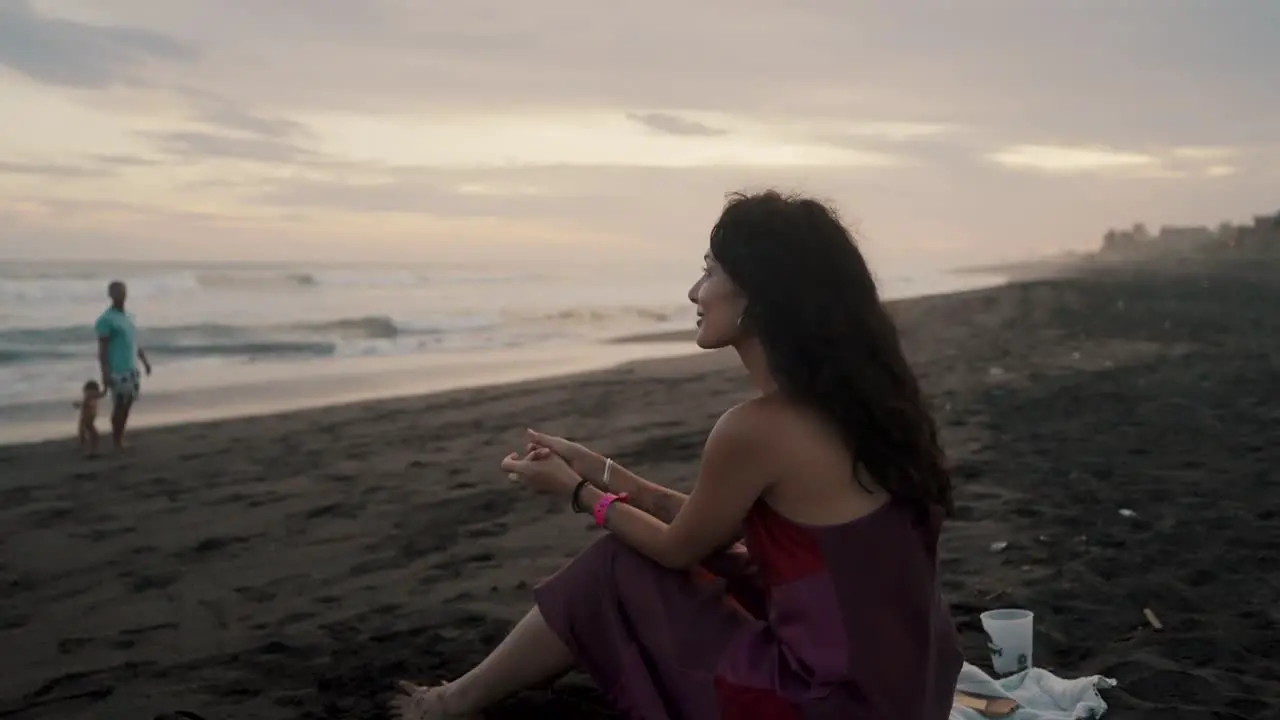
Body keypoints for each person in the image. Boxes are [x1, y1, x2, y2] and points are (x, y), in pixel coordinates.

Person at [390, 191, 964, 719]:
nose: (694, 292)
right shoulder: (867, 404)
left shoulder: (756, 428)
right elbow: (704, 524)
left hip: (830, 703)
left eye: (710, 272)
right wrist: (594, 465)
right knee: (724, 561)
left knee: (615, 565)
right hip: (911, 690)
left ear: (759, 298)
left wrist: (573, 492)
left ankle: (448, 705)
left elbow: (675, 547)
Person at [95, 281, 151, 451]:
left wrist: (144, 361)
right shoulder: (106, 320)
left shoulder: (129, 317)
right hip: (117, 369)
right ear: (110, 295)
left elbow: (133, 343)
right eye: (117, 292)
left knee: (127, 404)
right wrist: (105, 371)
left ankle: (120, 436)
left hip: (132, 368)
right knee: (119, 405)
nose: (121, 295)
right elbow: (102, 349)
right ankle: (116, 440)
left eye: (123, 291)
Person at [72, 379, 106, 457]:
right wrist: (105, 387)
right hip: (89, 415)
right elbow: (102, 394)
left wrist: (77, 404)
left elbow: (85, 403)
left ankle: (86, 446)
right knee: (86, 430)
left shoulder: (89, 396)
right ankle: (84, 444)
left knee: (87, 430)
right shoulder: (94, 396)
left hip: (87, 416)